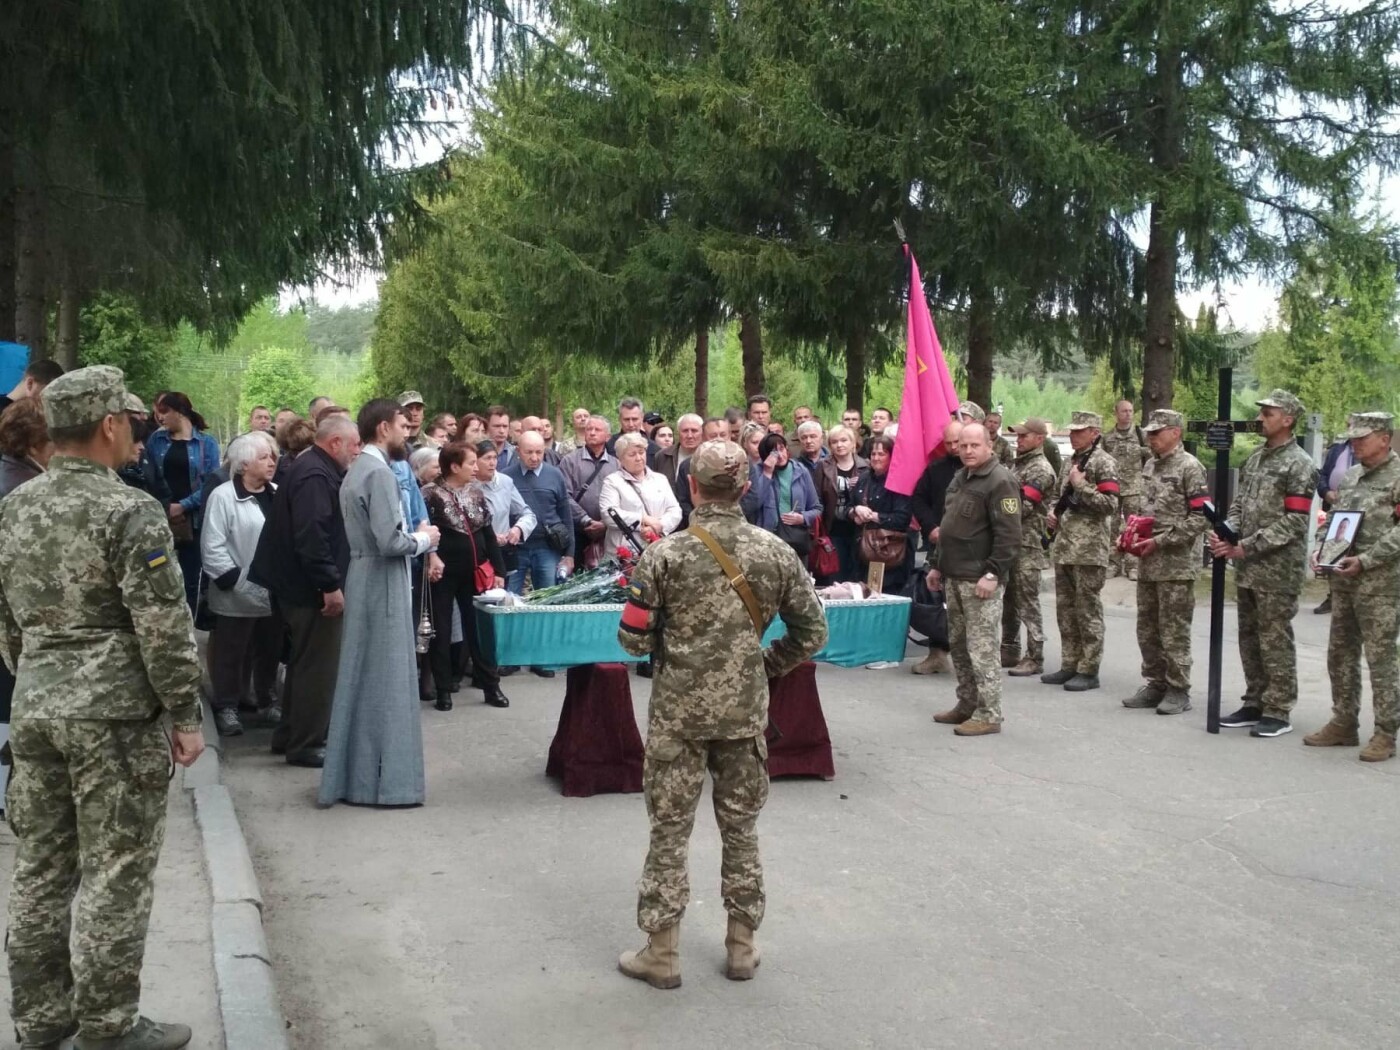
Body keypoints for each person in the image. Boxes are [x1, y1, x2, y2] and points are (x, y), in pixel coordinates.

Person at [0, 365, 204, 1050]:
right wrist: (184, 714)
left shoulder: (14, 507)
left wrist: (39, 680)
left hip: (36, 707)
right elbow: (162, 625)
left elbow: (6, 622)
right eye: (130, 422)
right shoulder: (129, 510)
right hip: (113, 718)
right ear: (109, 424)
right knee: (116, 869)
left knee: (40, 868)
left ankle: (40, 1020)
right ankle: (109, 1025)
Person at [615, 439, 826, 990]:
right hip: (743, 715)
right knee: (741, 830)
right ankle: (741, 947)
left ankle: (662, 954)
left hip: (677, 717)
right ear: (746, 488)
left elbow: (632, 640)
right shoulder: (775, 552)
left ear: (691, 486)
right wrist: (763, 665)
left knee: (669, 831)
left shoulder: (663, 555)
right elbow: (813, 632)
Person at [319, 400, 440, 806]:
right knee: (387, 680)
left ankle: (355, 779)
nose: (408, 432)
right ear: (384, 428)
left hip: (363, 573)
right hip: (382, 578)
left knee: (362, 676)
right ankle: (388, 785)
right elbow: (390, 541)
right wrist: (425, 539)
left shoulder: (358, 470)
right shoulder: (379, 473)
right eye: (403, 425)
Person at [250, 414, 360, 767]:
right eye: (354, 444)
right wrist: (329, 584)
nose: (357, 451)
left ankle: (290, 735)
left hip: (298, 584)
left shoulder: (314, 467)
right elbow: (312, 536)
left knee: (303, 663)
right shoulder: (315, 474)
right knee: (318, 667)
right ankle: (307, 743)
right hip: (308, 588)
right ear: (335, 443)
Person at [1210, 390, 1318, 738]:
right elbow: (1240, 504)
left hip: (1277, 569)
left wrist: (1247, 545)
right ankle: (1255, 701)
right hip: (1248, 568)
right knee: (1250, 638)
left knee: (1274, 639)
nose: (1260, 419)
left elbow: (1296, 521)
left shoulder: (1299, 464)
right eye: (1261, 413)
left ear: (1288, 419)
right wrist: (1228, 531)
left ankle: (1278, 709)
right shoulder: (1256, 458)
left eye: (1268, 414)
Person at [1301, 412, 1400, 762]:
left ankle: (1386, 733)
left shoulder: (1397, 476)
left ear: (1385, 438)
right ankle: (1344, 722)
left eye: (1363, 437)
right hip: (1343, 579)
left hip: (1381, 583)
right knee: (1340, 653)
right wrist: (1321, 548)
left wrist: (1368, 559)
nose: (1354, 443)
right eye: (1353, 437)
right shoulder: (1352, 476)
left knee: (1381, 658)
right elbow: (1334, 519)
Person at [927, 423, 1020, 733]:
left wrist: (993, 573)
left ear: (989, 445)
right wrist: (937, 565)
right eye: (962, 445)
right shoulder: (962, 477)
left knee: (982, 650)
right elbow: (948, 526)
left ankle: (989, 713)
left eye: (974, 445)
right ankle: (967, 703)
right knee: (960, 646)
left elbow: (1009, 536)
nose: (967, 450)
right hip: (954, 575)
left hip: (979, 580)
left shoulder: (1000, 480)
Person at [1119, 410, 1210, 715]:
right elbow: (1145, 511)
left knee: (1174, 630)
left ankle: (1178, 689)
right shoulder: (1150, 465)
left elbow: (1200, 518)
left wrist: (1161, 540)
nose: (1151, 437)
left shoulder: (1190, 467)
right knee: (1147, 628)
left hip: (1176, 565)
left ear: (1175, 432)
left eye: (1157, 432)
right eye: (1149, 432)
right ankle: (1156, 683)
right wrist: (1130, 534)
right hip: (1148, 562)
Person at [201, 431, 282, 738]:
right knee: (231, 653)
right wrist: (237, 581)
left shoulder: (277, 493)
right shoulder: (223, 496)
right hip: (235, 593)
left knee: (269, 650)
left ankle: (266, 700)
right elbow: (212, 547)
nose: (272, 462)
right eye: (264, 457)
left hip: (273, 591)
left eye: (272, 456)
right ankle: (227, 706)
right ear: (244, 464)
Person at [423, 442, 508, 710]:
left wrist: (499, 570)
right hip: (443, 574)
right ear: (454, 466)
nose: (476, 467)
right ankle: (444, 690)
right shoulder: (430, 495)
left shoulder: (476, 492)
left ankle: (491, 686)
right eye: (471, 463)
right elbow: (424, 532)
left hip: (475, 573)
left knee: (480, 631)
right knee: (441, 630)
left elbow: (488, 533)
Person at [1042, 411, 1120, 691]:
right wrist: (1052, 511)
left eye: (1079, 431)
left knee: (1087, 610)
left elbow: (1110, 504)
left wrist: (1082, 486)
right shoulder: (1070, 461)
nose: (1073, 435)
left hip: (1089, 549)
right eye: (1072, 431)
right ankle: (1069, 663)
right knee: (1066, 610)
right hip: (1065, 546)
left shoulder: (1104, 462)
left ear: (1094, 433)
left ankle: (1088, 669)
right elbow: (1057, 495)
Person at [504, 431, 575, 679]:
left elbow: (566, 515)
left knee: (547, 603)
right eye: (529, 452)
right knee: (509, 603)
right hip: (516, 548)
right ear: (518, 451)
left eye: (539, 452)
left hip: (547, 547)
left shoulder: (555, 475)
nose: (534, 457)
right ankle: (510, 657)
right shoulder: (507, 476)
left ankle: (542, 657)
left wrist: (569, 553)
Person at [145, 392, 221, 614]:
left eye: (164, 412)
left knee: (190, 577)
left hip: (193, 521)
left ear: (179, 412)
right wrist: (165, 505)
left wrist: (184, 505)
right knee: (156, 570)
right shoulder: (156, 440)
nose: (159, 417)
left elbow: (210, 483)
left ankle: (186, 622)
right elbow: (148, 476)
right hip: (160, 518)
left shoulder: (206, 443)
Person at [1004, 419, 1059, 676]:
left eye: (1024, 436)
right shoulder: (1018, 464)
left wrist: (994, 510)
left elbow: (1021, 507)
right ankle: (1009, 648)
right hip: (1009, 541)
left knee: (1027, 601)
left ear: (1039, 439)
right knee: (1008, 599)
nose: (1019, 440)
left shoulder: (1040, 469)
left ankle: (1035, 656)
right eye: (1018, 436)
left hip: (1028, 543)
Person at [849, 432, 913, 600]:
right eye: (873, 454)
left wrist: (873, 516)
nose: (876, 458)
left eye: (881, 454)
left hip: (889, 553)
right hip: (862, 552)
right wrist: (856, 511)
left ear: (891, 456)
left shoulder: (899, 481)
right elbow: (849, 506)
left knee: (886, 600)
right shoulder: (863, 478)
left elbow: (902, 519)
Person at [600, 432, 683, 555]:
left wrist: (658, 526)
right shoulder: (612, 481)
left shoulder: (660, 479)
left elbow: (675, 510)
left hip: (657, 549)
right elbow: (608, 514)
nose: (638, 458)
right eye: (632, 454)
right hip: (625, 553)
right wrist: (642, 520)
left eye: (641, 452)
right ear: (621, 459)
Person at [747, 433, 821, 559]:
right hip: (767, 540)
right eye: (774, 453)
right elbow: (753, 504)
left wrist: (802, 518)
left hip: (796, 539)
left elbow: (816, 508)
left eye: (781, 449)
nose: (780, 456)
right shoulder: (756, 471)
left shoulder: (801, 470)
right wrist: (767, 473)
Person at [562, 415, 620, 563]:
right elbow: (564, 496)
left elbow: (622, 497)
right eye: (589, 429)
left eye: (597, 429)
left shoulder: (616, 464)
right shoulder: (569, 461)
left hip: (608, 532)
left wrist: (605, 523)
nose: (592, 433)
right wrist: (586, 520)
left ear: (608, 436)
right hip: (578, 531)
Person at [1103, 399, 1150, 579]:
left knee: (1134, 526)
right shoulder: (1107, 438)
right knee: (1112, 525)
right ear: (1116, 413)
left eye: (1130, 411)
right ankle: (1113, 563)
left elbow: (1154, 454)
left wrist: (1142, 451)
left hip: (1134, 487)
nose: (1128, 414)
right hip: (1113, 487)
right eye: (1124, 411)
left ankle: (1132, 565)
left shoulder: (1141, 435)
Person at [816, 425, 868, 584]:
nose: (839, 445)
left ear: (853, 443)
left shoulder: (866, 466)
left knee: (857, 575)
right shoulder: (823, 466)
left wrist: (859, 486)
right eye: (834, 442)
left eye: (844, 440)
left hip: (859, 529)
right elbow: (817, 498)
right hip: (833, 528)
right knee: (837, 577)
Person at [1313, 434, 1357, 614]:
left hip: (1359, 510)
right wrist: (1326, 492)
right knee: (1334, 551)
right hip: (1336, 507)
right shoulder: (1337, 449)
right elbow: (1322, 475)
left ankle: (1347, 596)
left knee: (1351, 553)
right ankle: (1333, 596)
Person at [674, 417, 728, 527]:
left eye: (723, 435)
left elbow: (751, 498)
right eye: (713, 436)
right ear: (703, 437)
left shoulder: (743, 462)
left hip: (733, 525)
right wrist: (701, 521)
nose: (718, 439)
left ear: (730, 435)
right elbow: (682, 500)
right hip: (697, 526)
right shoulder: (688, 466)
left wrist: (724, 520)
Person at [0, 396, 53, 497]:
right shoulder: (32, 491)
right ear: (33, 446)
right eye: (56, 440)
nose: (63, 445)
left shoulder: (10, 467)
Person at [652, 413, 702, 488]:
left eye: (694, 431)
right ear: (678, 433)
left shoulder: (709, 456)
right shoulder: (662, 456)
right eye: (685, 431)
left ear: (702, 433)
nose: (689, 436)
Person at [487, 405, 516, 471]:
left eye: (505, 426)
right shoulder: (476, 452)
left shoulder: (516, 454)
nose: (501, 431)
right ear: (487, 427)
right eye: (497, 426)